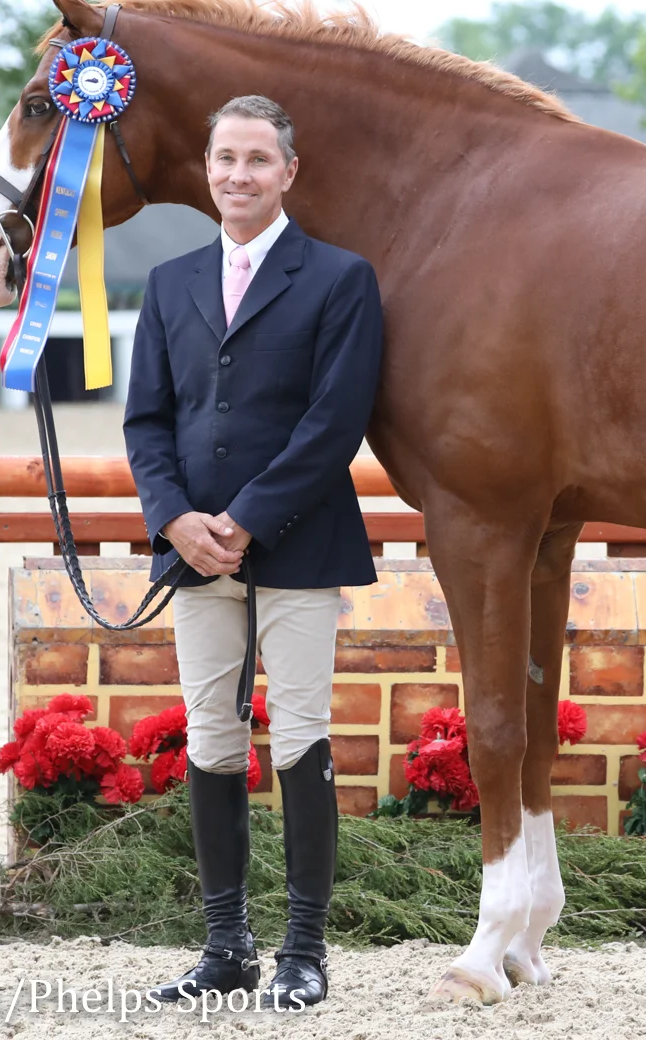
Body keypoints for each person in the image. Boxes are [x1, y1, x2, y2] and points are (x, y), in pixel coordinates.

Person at [123, 94, 384, 1009]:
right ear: (207, 169)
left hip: (301, 541)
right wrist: (176, 519)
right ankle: (224, 945)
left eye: (257, 160)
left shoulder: (340, 279)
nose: (238, 175)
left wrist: (245, 518)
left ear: (289, 173)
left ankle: (304, 951)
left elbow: (335, 421)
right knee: (210, 737)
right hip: (194, 550)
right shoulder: (169, 282)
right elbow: (147, 421)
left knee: (303, 735)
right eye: (224, 159)